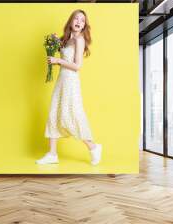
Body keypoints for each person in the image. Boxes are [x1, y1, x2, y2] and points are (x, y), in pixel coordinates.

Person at [36, 9, 102, 165]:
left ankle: (93, 147)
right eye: (76, 19)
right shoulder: (66, 40)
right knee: (54, 112)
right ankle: (52, 154)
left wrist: (57, 61)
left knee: (70, 115)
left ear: (84, 25)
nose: (79, 22)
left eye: (82, 20)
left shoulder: (79, 40)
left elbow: (77, 65)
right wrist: (54, 44)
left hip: (71, 81)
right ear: (71, 21)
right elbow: (62, 54)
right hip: (61, 81)